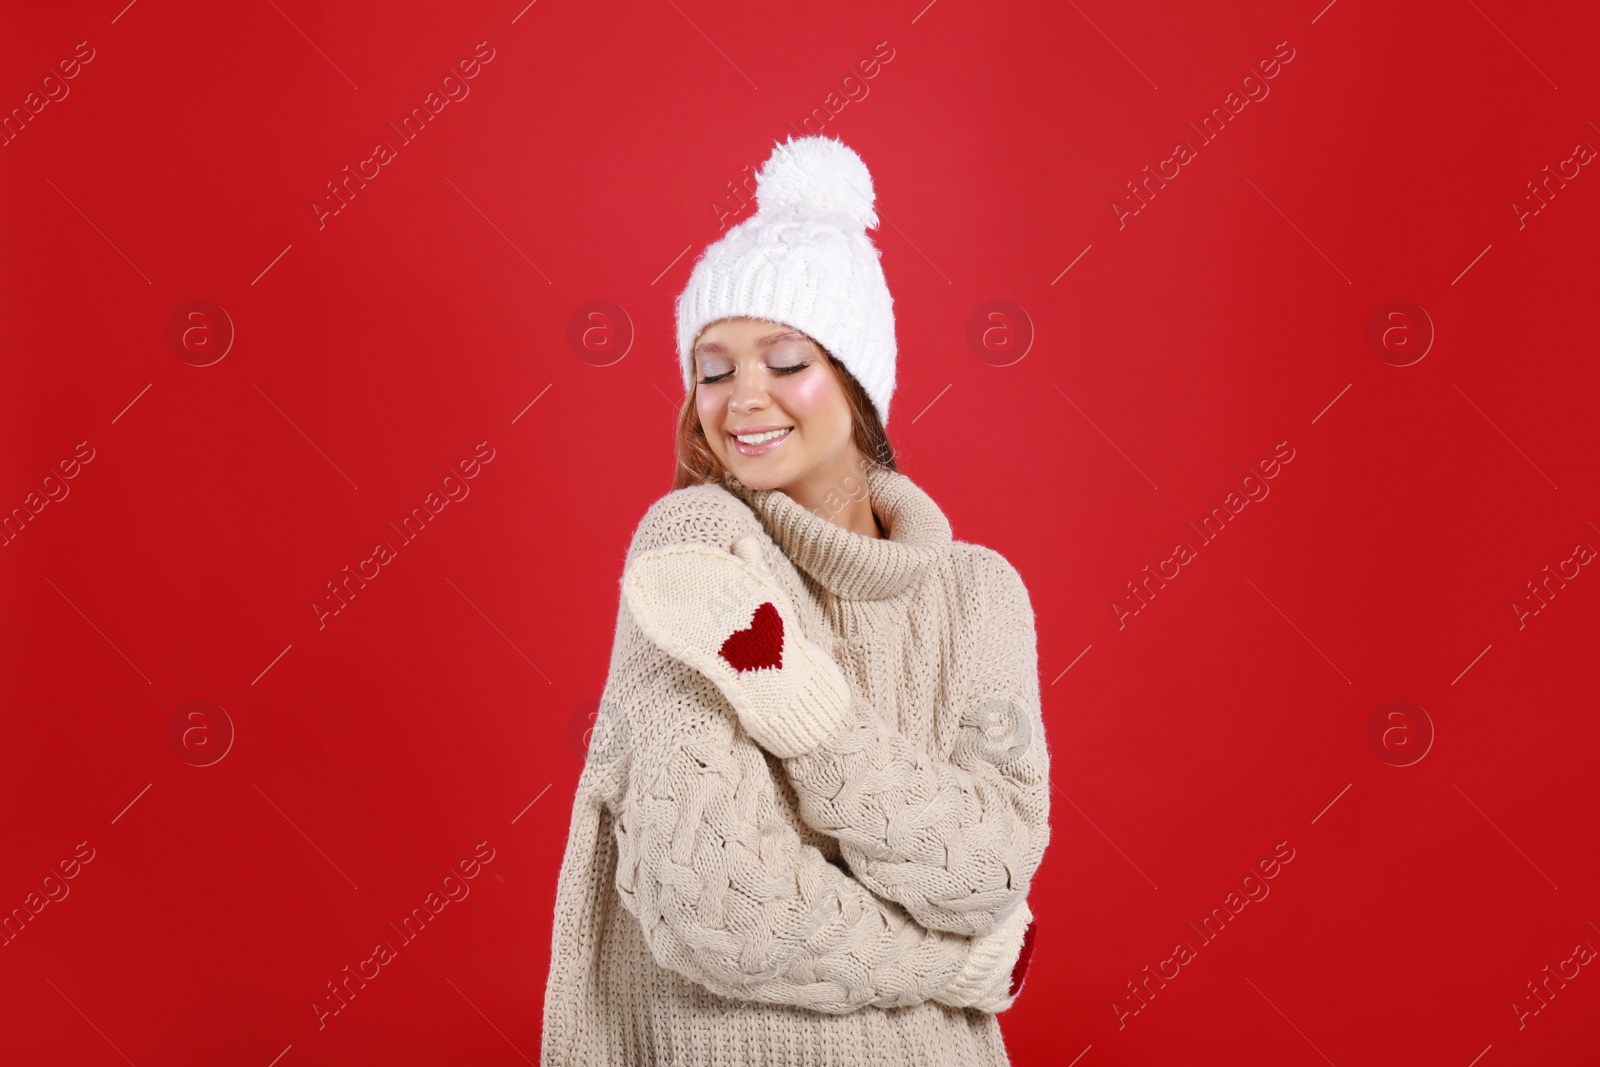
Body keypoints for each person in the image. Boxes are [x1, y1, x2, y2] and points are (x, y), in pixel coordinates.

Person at [540, 134, 1051, 1066]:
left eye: (784, 360)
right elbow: (716, 906)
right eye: (714, 367)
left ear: (858, 383)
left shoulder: (982, 595)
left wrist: (807, 716)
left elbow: (986, 870)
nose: (742, 399)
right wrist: (955, 967)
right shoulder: (694, 550)